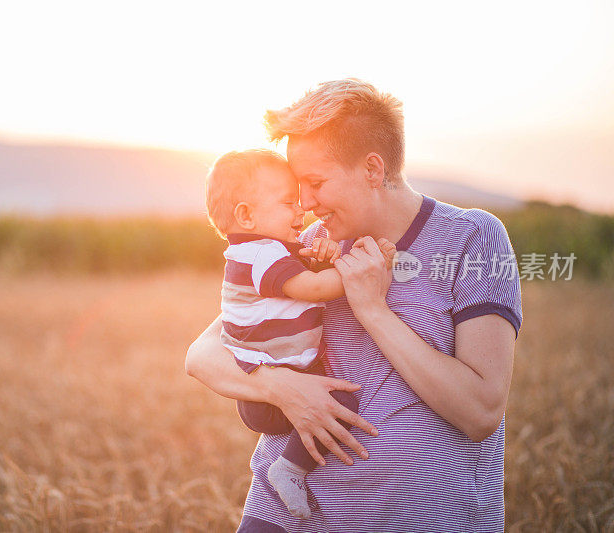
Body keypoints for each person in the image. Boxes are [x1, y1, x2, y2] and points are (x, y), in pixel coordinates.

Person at [186, 78, 522, 532]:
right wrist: (282, 389)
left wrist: (373, 310)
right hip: (283, 519)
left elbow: (481, 411)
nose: (303, 204)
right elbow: (203, 354)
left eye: (315, 183)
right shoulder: (305, 246)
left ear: (371, 169)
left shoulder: (473, 239)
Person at [204, 149, 396, 518]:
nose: (302, 211)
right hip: (274, 387)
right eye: (289, 203)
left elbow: (300, 268)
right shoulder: (262, 254)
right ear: (246, 214)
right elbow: (314, 288)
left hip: (267, 379)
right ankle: (289, 471)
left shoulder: (262, 251)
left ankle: (292, 467)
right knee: (342, 401)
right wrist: (363, 269)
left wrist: (322, 253)